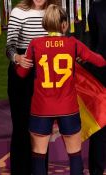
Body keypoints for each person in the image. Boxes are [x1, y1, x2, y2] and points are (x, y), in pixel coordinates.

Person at [15, 4, 106, 175]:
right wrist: (83, 57)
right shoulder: (73, 44)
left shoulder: (35, 44)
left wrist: (19, 60)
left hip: (41, 108)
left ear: (45, 23)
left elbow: (21, 73)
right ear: (64, 25)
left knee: (39, 157)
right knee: (75, 156)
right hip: (68, 108)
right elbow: (100, 62)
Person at [5, 0, 59, 174]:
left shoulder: (55, 11)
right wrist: (17, 58)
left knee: (42, 129)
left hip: (45, 75)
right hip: (21, 74)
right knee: (21, 127)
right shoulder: (18, 12)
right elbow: (9, 47)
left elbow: (59, 41)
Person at [86, 0, 106, 174]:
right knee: (100, 127)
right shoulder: (96, 7)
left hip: (100, 72)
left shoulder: (96, 8)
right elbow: (94, 41)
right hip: (100, 75)